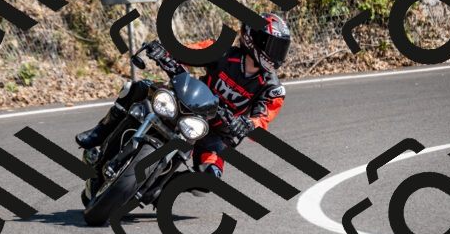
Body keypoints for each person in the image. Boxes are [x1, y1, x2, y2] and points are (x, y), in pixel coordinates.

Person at [75, 12, 291, 185]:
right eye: (271, 45)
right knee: (138, 87)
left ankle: (160, 186)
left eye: (280, 49)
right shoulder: (223, 51)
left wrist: (247, 124)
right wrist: (165, 52)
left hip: (217, 131)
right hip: (187, 104)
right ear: (252, 38)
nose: (276, 54)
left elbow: (262, 119)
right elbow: (187, 52)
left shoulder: (273, 88)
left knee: (210, 178)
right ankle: (100, 132)